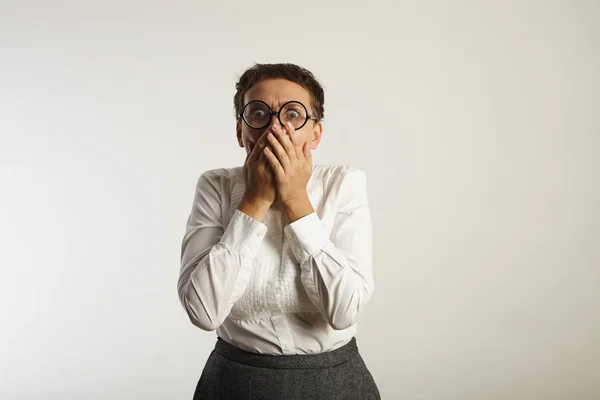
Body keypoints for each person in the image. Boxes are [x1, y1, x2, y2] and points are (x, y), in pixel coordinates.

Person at [177, 63, 380, 399]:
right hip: (234, 382)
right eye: (258, 113)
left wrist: (296, 201)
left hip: (334, 382)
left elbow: (344, 312)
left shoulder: (343, 185)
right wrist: (254, 202)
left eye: (292, 114)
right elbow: (203, 312)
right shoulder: (216, 187)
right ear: (241, 131)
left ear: (315, 133)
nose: (275, 127)